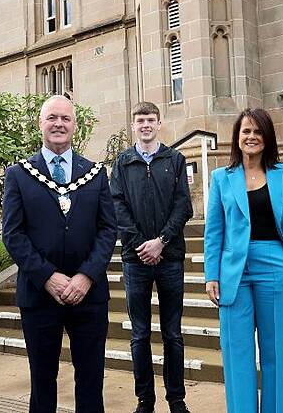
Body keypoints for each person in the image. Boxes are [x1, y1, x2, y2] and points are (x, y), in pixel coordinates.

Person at [2, 95, 117, 413]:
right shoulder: (19, 175)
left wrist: (86, 276)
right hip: (39, 297)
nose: (58, 124)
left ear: (74, 126)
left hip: (89, 296)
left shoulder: (95, 173)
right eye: (52, 117)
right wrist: (47, 277)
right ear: (40, 124)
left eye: (65, 118)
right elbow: (13, 234)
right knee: (42, 382)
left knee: (91, 381)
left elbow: (108, 230)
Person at [203, 108, 283, 413]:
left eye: (258, 132)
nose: (251, 137)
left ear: (267, 138)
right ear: (237, 138)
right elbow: (214, 231)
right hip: (232, 271)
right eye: (245, 131)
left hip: (277, 266)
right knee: (236, 353)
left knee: (275, 354)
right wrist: (211, 273)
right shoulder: (221, 178)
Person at [111, 101, 194, 413]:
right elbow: (117, 207)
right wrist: (141, 246)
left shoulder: (175, 159)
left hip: (170, 257)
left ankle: (177, 401)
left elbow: (183, 205)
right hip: (136, 261)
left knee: (172, 334)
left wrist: (161, 241)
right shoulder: (123, 163)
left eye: (150, 119)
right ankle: (145, 401)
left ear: (159, 123)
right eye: (140, 120)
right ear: (133, 125)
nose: (145, 124)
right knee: (139, 334)